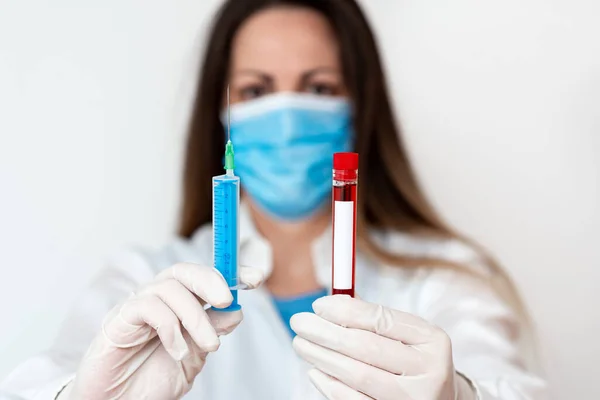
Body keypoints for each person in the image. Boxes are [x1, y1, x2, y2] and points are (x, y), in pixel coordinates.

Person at [1, 0, 547, 399]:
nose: (287, 115)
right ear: (222, 110)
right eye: (257, 91)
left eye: (319, 88)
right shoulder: (143, 280)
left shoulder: (443, 279)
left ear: (361, 107)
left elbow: (516, 388)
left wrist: (462, 396)